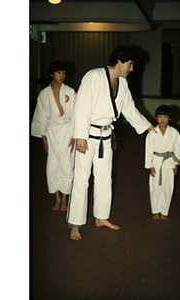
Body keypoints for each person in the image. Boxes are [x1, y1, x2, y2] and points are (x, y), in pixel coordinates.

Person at [67, 45, 156, 240]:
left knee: (104, 178)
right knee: (82, 180)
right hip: (87, 136)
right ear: (120, 62)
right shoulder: (94, 76)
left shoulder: (122, 84)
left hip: (106, 136)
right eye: (130, 64)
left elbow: (129, 109)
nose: (131, 69)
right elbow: (80, 106)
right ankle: (75, 223)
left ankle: (101, 217)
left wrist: (149, 126)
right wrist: (80, 136)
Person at [31, 61, 76, 211]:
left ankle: (65, 199)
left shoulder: (70, 91)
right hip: (51, 132)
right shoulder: (44, 94)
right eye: (58, 72)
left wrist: (75, 135)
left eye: (63, 72)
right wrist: (44, 139)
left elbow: (76, 115)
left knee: (67, 164)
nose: (62, 75)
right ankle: (57, 199)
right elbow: (41, 117)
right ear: (51, 74)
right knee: (52, 165)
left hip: (67, 130)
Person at [145, 105, 180, 220]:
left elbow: (177, 148)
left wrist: (176, 164)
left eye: (165, 117)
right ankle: (156, 210)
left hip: (169, 162)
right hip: (156, 163)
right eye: (160, 116)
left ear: (170, 118)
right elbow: (148, 150)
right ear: (156, 118)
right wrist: (150, 165)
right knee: (155, 188)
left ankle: (164, 211)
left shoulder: (175, 133)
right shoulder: (152, 133)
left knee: (168, 188)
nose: (162, 119)